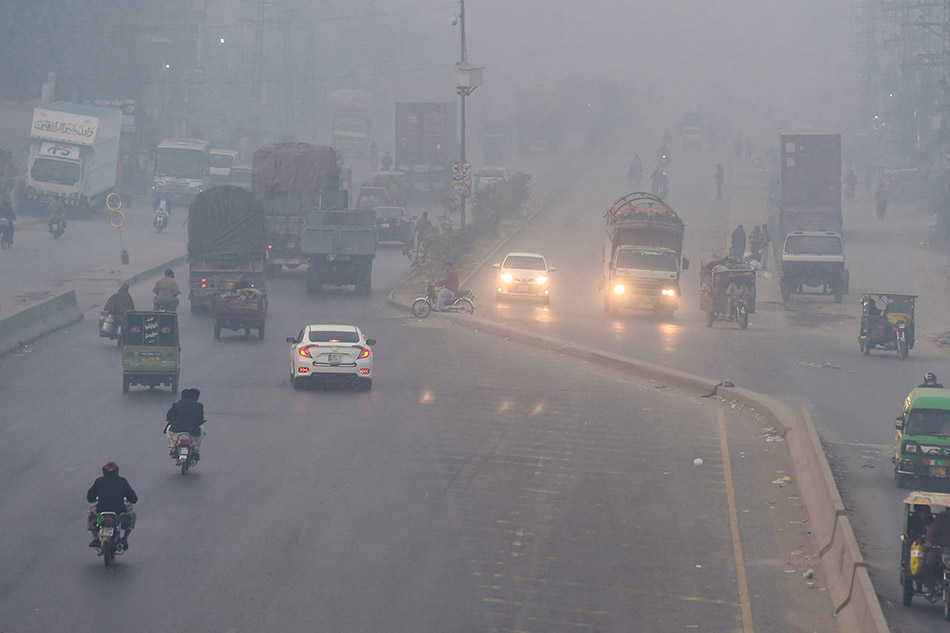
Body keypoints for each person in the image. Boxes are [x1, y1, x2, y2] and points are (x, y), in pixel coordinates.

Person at [86, 462, 138, 549]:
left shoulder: (99, 481)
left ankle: (96, 538)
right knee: (132, 516)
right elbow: (133, 499)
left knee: (91, 516)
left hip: (101, 512)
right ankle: (125, 538)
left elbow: (90, 497)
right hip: (119, 512)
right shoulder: (122, 481)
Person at [164, 388, 206, 459]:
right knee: (202, 429)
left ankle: (173, 447)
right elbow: (200, 420)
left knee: (168, 429)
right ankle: (196, 449)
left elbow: (169, 416)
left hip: (176, 431)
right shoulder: (199, 406)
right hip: (193, 432)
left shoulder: (176, 404)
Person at [925, 509, 950, 593]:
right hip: (939, 549)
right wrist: (932, 543)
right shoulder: (940, 521)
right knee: (931, 562)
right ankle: (930, 587)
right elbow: (930, 535)